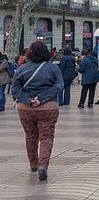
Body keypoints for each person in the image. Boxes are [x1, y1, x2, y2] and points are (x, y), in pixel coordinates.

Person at [11, 41, 63, 181]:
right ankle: (43, 166)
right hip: (47, 108)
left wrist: (29, 100)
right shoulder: (52, 68)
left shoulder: (22, 68)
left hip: (26, 109)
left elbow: (14, 89)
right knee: (46, 137)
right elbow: (59, 85)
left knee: (30, 136)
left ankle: (33, 164)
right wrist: (42, 98)